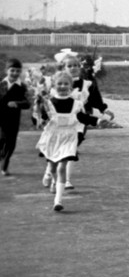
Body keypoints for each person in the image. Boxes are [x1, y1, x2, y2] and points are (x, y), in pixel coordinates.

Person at [41, 55, 114, 190]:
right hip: (59, 124)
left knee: (71, 149)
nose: (73, 68)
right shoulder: (58, 83)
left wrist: (104, 110)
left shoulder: (87, 84)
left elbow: (95, 99)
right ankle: (49, 171)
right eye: (69, 66)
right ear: (63, 68)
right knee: (57, 149)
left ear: (80, 67)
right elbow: (49, 104)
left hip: (78, 121)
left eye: (76, 65)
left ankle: (66, 180)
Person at [37, 71, 103, 211]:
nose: (62, 86)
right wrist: (39, 117)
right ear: (54, 85)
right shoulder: (49, 103)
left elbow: (82, 118)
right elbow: (42, 118)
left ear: (71, 86)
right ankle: (54, 180)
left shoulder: (76, 103)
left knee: (62, 167)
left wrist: (97, 120)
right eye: (59, 84)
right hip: (53, 138)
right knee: (53, 167)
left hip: (69, 138)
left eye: (65, 83)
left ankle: (58, 201)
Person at [0, 58, 30, 176]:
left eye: (18, 71)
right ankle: (2, 155)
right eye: (12, 70)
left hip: (14, 119)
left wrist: (17, 104)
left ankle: (5, 166)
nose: (15, 73)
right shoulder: (1, 85)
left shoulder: (22, 87)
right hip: (1, 118)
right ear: (7, 70)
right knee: (2, 139)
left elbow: (27, 103)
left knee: (11, 143)